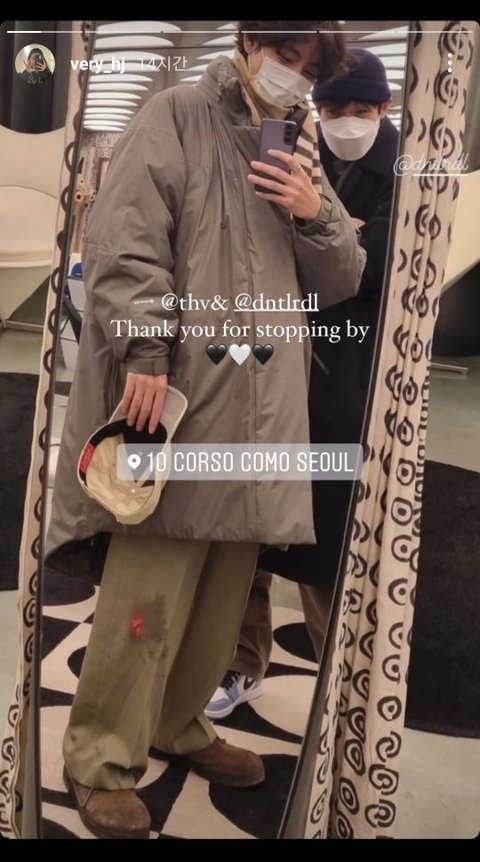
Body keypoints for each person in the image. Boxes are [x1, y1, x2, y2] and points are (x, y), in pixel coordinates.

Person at [45, 21, 365, 839]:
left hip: (268, 408)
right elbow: (126, 241)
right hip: (185, 396)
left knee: (223, 593)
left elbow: (341, 279)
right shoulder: (178, 114)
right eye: (286, 56)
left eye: (308, 67)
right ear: (251, 40)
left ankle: (178, 723)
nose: (294, 77)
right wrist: (146, 350)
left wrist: (315, 214)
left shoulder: (297, 145)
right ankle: (100, 756)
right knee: (149, 589)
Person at [206, 48, 399, 720]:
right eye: (332, 107)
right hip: (273, 354)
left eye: (360, 109)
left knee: (328, 529)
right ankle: (240, 662)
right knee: (251, 522)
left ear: (385, 108)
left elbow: (379, 267)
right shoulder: (290, 149)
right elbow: (259, 243)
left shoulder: (406, 172)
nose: (345, 120)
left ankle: (337, 680)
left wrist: (320, 220)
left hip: (350, 369)